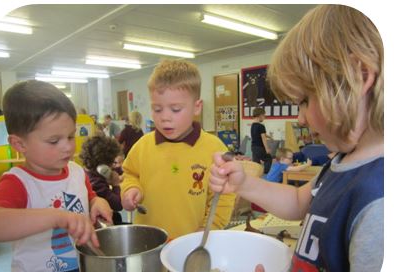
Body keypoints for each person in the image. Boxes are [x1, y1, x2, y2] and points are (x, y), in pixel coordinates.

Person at [209, 5, 383, 272]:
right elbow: (299, 202)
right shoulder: (341, 162)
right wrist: (245, 185)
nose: (300, 119)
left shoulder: (378, 201)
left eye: (304, 101)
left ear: (359, 76)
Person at [0, 80, 113, 272]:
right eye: (54, 141)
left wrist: (97, 202)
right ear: (19, 144)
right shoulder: (18, 182)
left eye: (71, 136)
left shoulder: (76, 172)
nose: (67, 146)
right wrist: (55, 217)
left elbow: (89, 197)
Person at [120, 59, 236, 240]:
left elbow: (223, 197)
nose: (165, 117)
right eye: (157, 109)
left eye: (175, 109)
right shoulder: (143, 146)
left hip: (191, 245)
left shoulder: (214, 149)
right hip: (148, 244)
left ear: (197, 107)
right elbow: (129, 174)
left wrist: (208, 229)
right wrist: (130, 189)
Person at [80, 135, 124, 225]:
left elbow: (114, 171)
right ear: (103, 166)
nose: (113, 166)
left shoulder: (90, 172)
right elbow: (118, 204)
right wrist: (116, 185)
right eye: (112, 162)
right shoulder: (96, 184)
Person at [250, 107, 272, 174]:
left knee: (256, 162)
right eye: (264, 115)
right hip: (260, 147)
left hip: (254, 147)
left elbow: (260, 134)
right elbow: (263, 138)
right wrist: (267, 148)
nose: (264, 117)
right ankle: (265, 173)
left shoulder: (253, 125)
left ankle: (256, 174)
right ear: (260, 115)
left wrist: (269, 136)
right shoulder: (261, 126)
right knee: (268, 158)